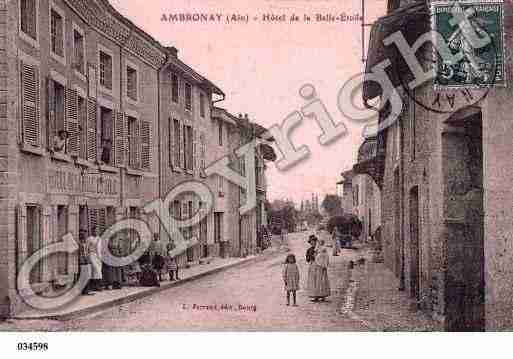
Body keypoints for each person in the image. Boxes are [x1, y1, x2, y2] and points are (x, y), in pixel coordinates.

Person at [86, 226, 103, 291]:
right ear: (92, 231)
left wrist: (101, 257)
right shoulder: (89, 238)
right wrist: (87, 256)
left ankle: (98, 286)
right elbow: (86, 248)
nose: (96, 232)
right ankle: (94, 286)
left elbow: (100, 249)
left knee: (99, 271)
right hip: (92, 255)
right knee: (95, 270)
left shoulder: (99, 239)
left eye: (98, 231)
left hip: (98, 256)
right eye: (95, 230)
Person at [306, 234, 318, 301]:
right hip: (313, 264)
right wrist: (310, 257)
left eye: (314, 241)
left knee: (319, 279)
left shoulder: (319, 248)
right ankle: (315, 295)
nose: (313, 242)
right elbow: (307, 259)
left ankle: (321, 295)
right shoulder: (309, 250)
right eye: (311, 241)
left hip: (319, 265)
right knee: (313, 280)